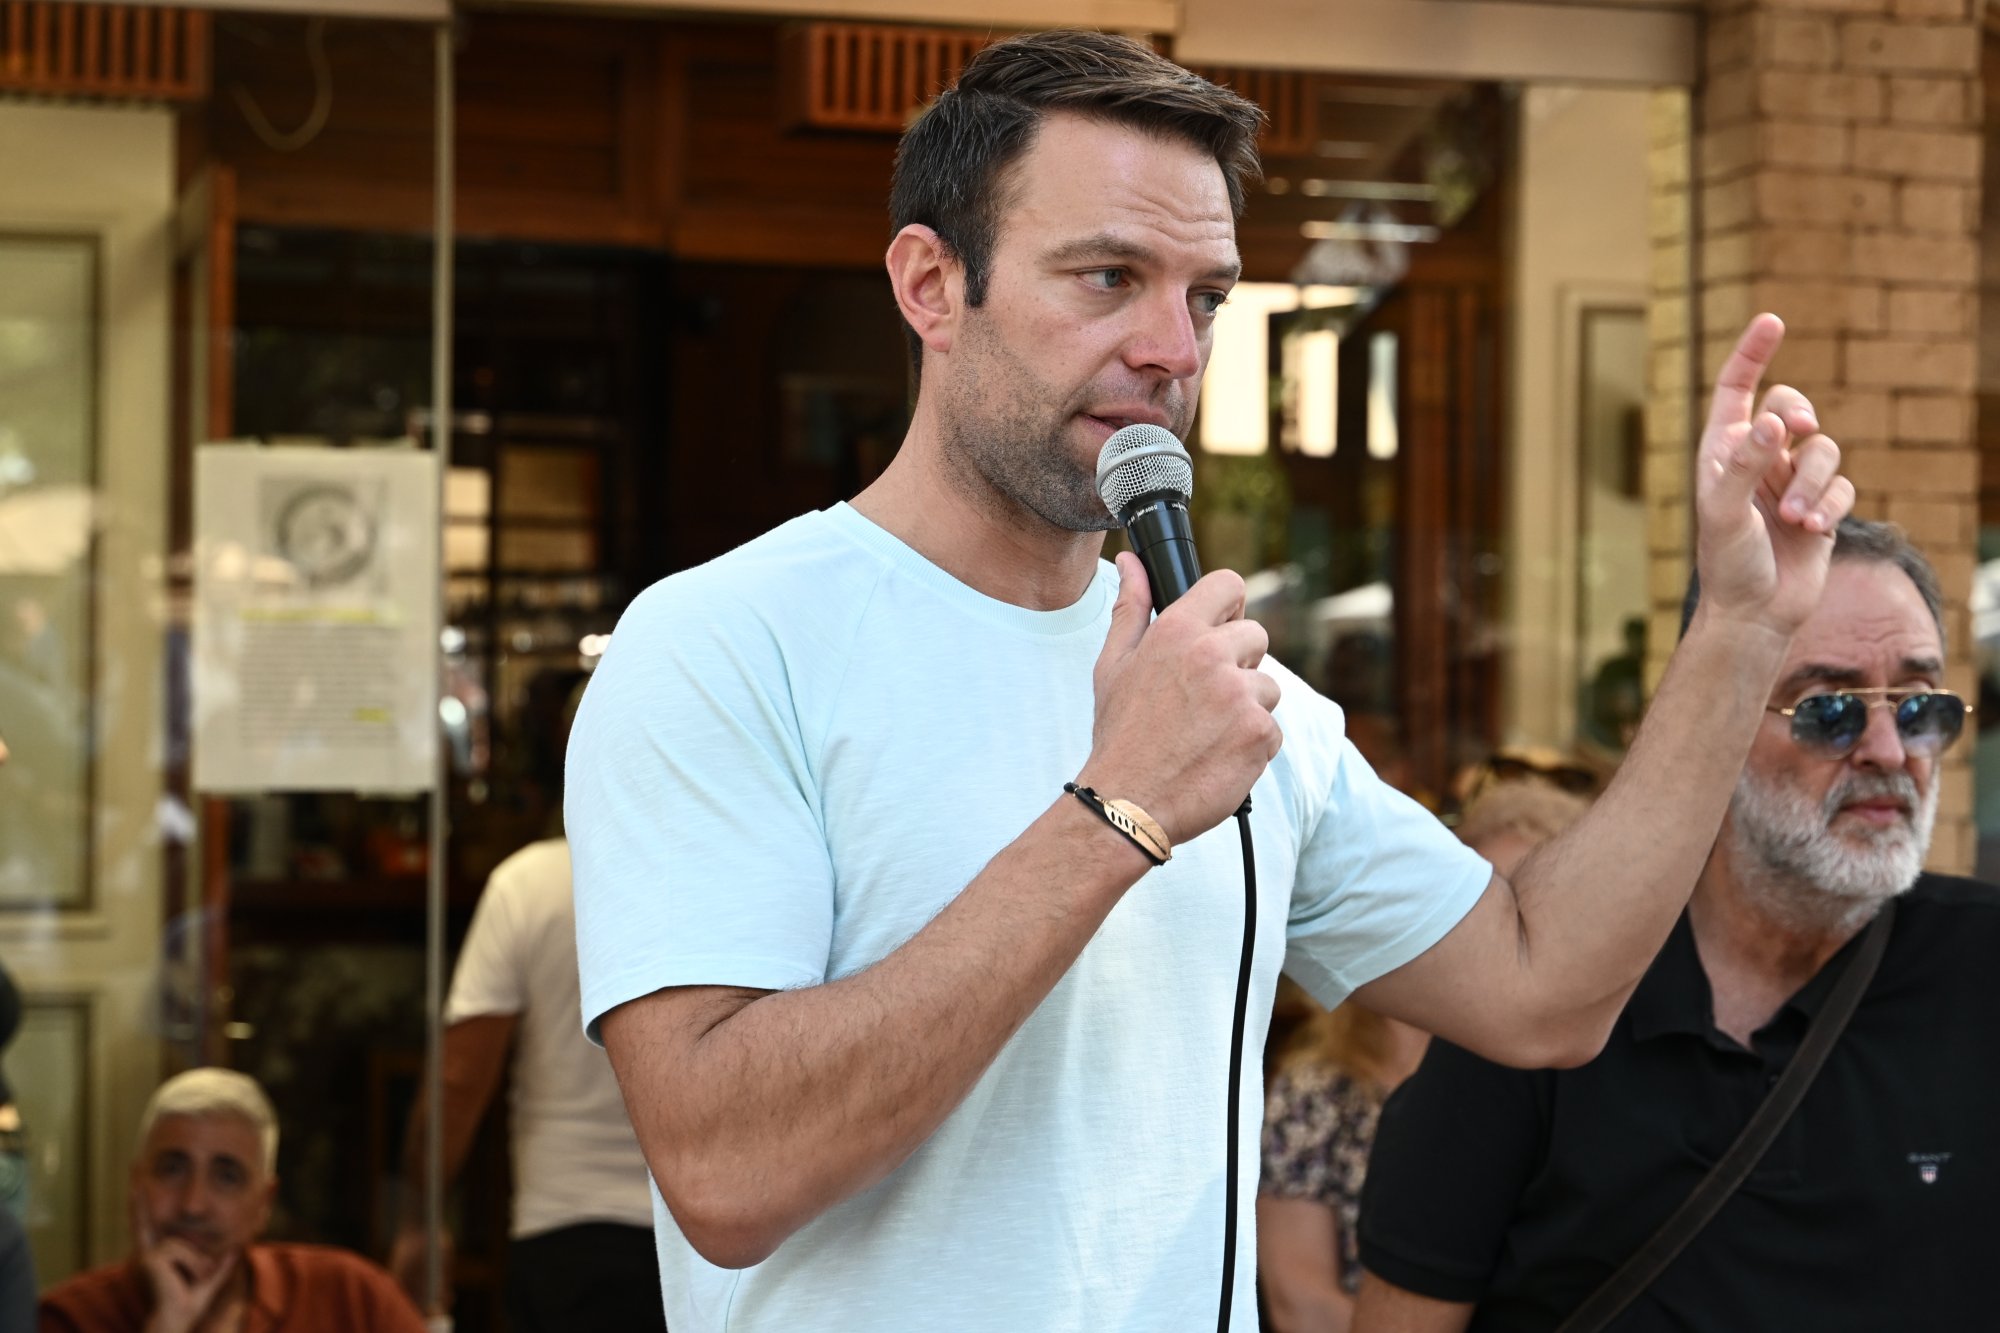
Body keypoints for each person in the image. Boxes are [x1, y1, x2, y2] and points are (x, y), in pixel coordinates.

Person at [565, 30, 1852, 1332]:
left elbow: (1542, 987)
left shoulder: (1229, 694)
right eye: (1109, 277)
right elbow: (725, 1169)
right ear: (932, 286)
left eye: (1207, 298)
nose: (1172, 349)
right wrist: (1115, 809)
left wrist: (1740, 627)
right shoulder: (727, 644)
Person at [1355, 518, 1994, 1331]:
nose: (1888, 750)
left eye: (1919, 707)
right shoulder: (1542, 994)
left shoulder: (1981, 970)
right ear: (1713, 722)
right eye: (1830, 709)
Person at [1258, 781, 1590, 1332]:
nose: (1509, 933)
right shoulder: (1320, 1091)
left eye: (1533, 908)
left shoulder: (1574, 1079)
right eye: (1493, 900)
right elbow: (1300, 1302)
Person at [388, 836, 663, 1331]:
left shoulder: (530, 882)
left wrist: (419, 1220)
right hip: (716, 1235)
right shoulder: (723, 870)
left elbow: (457, 1084)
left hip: (567, 1228)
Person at [39, 1068, 425, 1333]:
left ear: (264, 1204)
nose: (193, 1204)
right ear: (135, 1186)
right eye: (172, 1169)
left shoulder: (352, 1298)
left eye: (227, 1177)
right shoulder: (70, 1318)